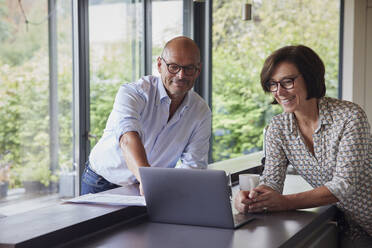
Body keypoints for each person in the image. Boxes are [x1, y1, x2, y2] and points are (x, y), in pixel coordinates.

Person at [234, 45, 372, 247]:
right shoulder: (278, 128)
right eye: (273, 84)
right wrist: (253, 199)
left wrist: (285, 202)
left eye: (287, 82)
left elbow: (344, 185)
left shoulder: (349, 117)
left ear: (310, 77)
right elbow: (272, 180)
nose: (279, 92)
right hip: (352, 225)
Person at [81, 36, 211, 195]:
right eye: (173, 67)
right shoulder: (133, 92)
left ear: (198, 70)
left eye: (189, 68)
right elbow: (127, 138)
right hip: (102, 181)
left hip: (151, 186)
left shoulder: (200, 111)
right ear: (159, 65)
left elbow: (193, 167)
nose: (181, 75)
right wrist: (147, 179)